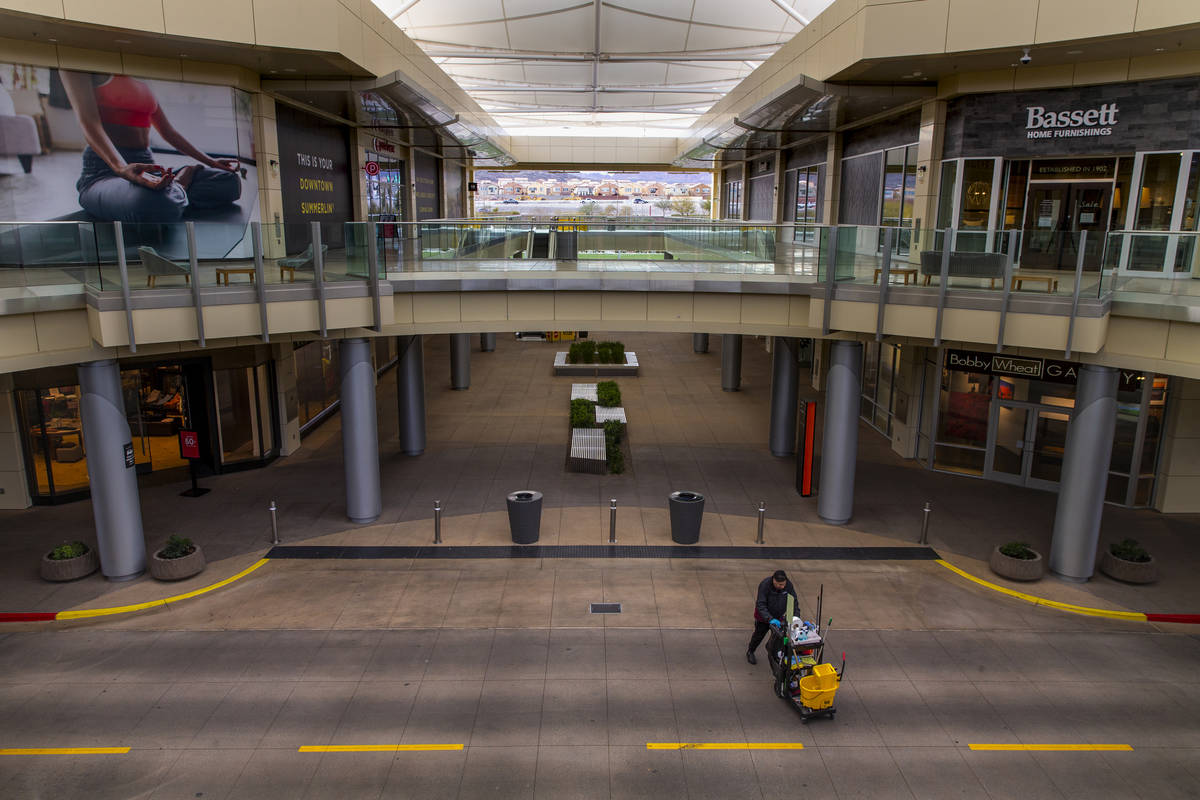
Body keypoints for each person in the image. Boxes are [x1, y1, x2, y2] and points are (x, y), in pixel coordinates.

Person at [59, 71, 241, 223]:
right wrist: (121, 167)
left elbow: (168, 132)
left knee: (229, 182)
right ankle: (177, 187)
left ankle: (172, 193)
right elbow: (89, 123)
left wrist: (210, 161)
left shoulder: (141, 74)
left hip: (147, 167)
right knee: (151, 202)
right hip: (104, 172)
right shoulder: (80, 66)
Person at [746, 569, 799, 665]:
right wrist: (769, 619)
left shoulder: (788, 586)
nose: (782, 587)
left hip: (778, 616)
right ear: (774, 580)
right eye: (780, 585)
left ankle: (771, 648)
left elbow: (793, 602)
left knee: (778, 637)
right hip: (764, 617)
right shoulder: (765, 585)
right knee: (758, 635)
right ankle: (750, 651)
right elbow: (761, 604)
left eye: (783, 584)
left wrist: (795, 618)